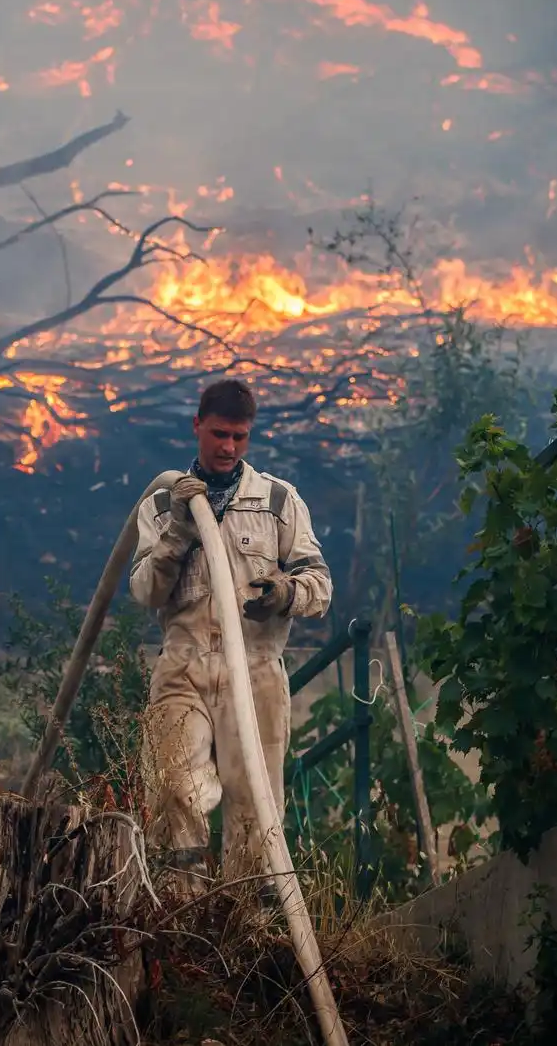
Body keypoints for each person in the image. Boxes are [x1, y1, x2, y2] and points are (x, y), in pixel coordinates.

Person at [128, 378, 332, 894]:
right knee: (176, 787)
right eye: (218, 434)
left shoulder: (278, 501)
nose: (228, 447)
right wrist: (179, 530)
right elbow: (144, 592)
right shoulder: (160, 504)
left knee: (254, 804)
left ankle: (242, 926)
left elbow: (320, 585)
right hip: (183, 665)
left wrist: (283, 593)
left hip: (256, 669)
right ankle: (183, 912)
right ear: (197, 426)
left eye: (239, 437)